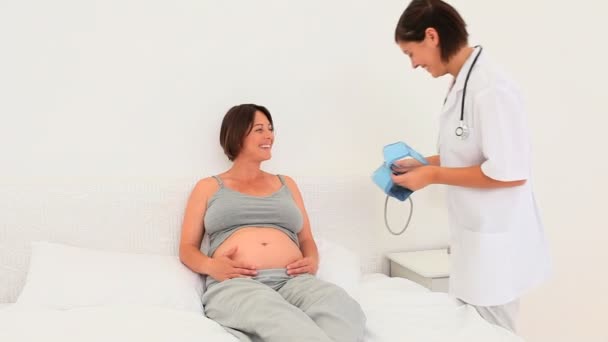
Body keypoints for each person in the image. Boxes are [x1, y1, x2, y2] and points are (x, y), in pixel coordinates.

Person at [390, 0, 550, 333]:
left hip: (496, 243)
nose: (413, 64)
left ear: (431, 36)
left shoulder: (490, 88)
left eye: (410, 53)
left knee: (493, 334)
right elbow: (468, 155)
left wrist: (432, 174)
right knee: (470, 331)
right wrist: (421, 164)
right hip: (474, 243)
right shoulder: (464, 82)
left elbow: (509, 173)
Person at [178, 103, 366, 342]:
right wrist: (211, 266)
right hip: (237, 284)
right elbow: (187, 248)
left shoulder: (286, 183)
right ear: (236, 135)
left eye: (270, 128)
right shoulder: (208, 186)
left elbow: (306, 238)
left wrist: (312, 260)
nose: (269, 135)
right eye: (259, 129)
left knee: (343, 307)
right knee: (278, 318)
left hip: (293, 281)